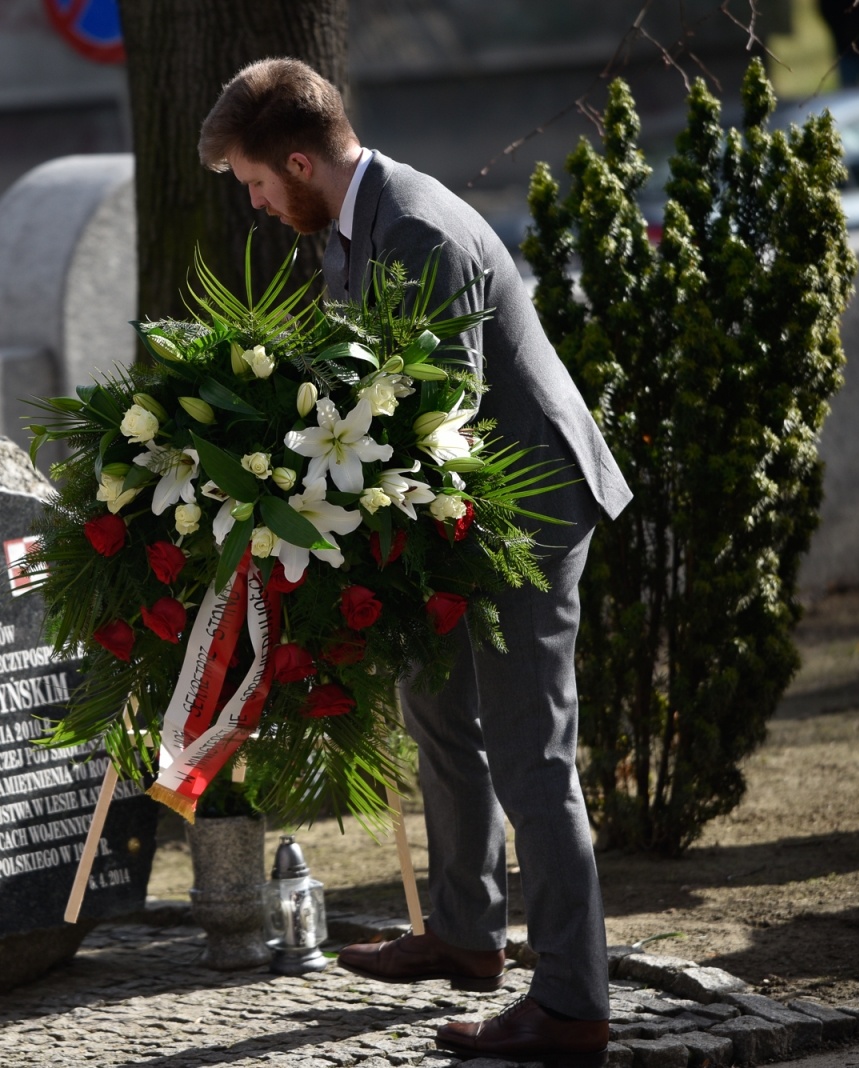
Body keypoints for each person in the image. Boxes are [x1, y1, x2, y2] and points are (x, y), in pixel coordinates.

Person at [199, 59, 632, 1063]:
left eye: (256, 184)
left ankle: (573, 1004)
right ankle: (467, 936)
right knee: (437, 711)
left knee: (531, 754)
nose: (257, 206)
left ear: (298, 164)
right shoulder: (350, 225)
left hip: (524, 510)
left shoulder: (417, 231)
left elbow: (438, 412)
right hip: (454, 513)